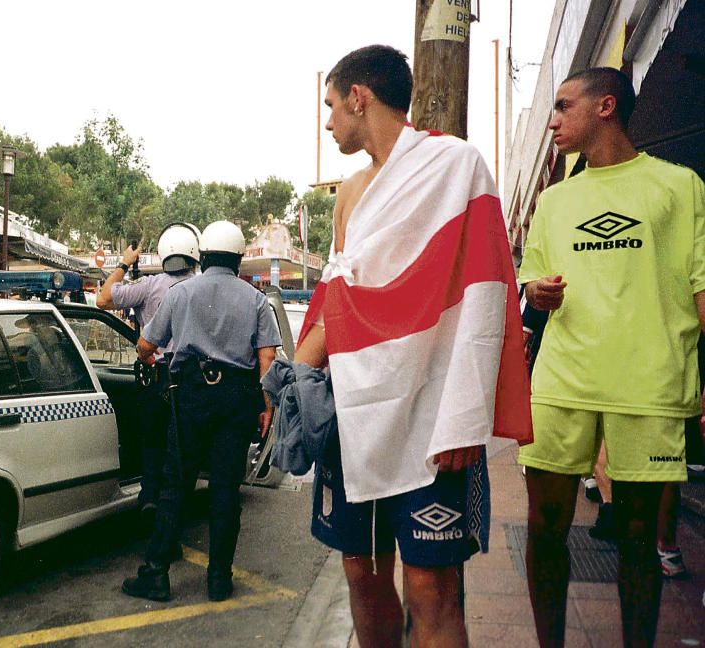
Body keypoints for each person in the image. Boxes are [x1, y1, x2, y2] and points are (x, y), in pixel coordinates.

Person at [292, 45, 531, 648]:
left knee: (431, 586)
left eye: (330, 107)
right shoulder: (348, 192)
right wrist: (292, 378)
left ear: (358, 97)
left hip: (430, 417)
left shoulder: (457, 164)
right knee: (361, 573)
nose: (327, 124)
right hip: (356, 411)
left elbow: (482, 296)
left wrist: (463, 419)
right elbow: (338, 294)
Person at [518, 67, 705, 647]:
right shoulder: (553, 200)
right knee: (545, 528)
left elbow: (700, 289)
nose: (552, 119)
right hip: (562, 380)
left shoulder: (679, 187)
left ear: (605, 106)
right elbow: (533, 284)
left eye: (562, 105)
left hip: (648, 385)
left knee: (634, 537)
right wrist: (537, 293)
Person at [121, 220, 280, 603]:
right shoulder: (255, 299)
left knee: (175, 486)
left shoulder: (181, 293)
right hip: (237, 399)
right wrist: (266, 405)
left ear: (203, 256)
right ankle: (219, 580)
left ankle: (156, 574)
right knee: (226, 491)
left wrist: (149, 355)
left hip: (189, 396)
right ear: (239, 259)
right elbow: (268, 358)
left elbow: (147, 343)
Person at [96, 223, 201, 525]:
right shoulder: (202, 286)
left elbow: (103, 299)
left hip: (154, 375)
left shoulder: (151, 285)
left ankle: (150, 499)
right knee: (181, 449)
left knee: (152, 442)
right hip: (191, 380)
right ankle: (174, 511)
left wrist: (125, 263)